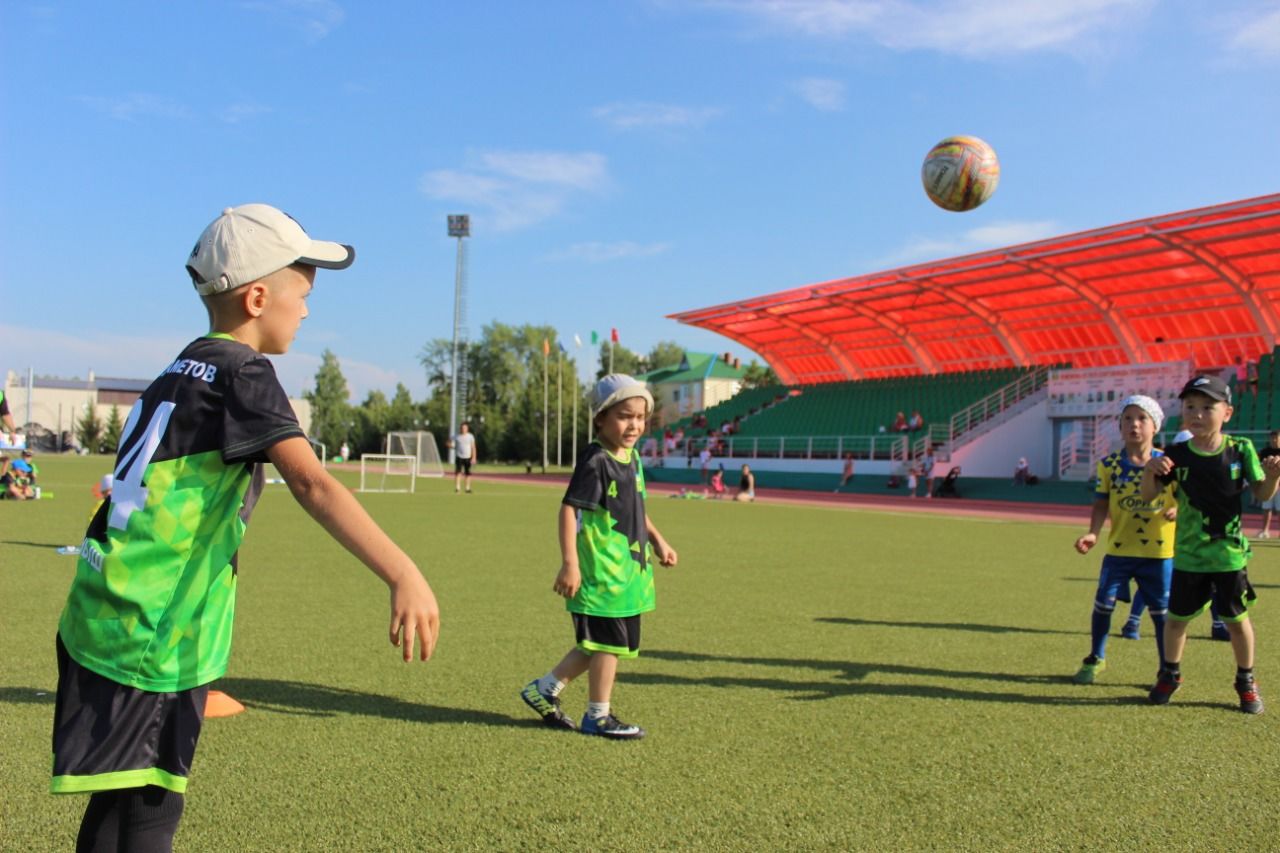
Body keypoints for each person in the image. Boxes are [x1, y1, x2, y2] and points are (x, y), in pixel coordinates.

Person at [50, 203, 441, 848]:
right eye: (303, 294)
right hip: (150, 630)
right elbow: (313, 483)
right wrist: (403, 571)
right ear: (259, 296)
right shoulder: (244, 372)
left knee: (118, 803)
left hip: (101, 611)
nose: (309, 310)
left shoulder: (179, 367)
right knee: (150, 808)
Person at [520, 374, 678, 739]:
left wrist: (659, 541)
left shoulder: (632, 458)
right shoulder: (596, 461)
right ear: (601, 418)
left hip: (628, 572)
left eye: (641, 417)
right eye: (625, 416)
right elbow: (568, 510)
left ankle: (544, 689)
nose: (634, 425)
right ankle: (598, 716)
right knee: (608, 644)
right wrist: (570, 563)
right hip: (601, 573)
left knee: (598, 644)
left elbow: (635, 509)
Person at [1141, 374, 1280, 714]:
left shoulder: (1240, 449)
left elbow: (1261, 494)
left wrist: (1274, 476)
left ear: (1228, 413)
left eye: (1207, 407)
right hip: (1188, 556)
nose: (1197, 414)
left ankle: (1246, 681)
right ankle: (1169, 674)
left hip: (1228, 556)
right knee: (1176, 621)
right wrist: (1149, 471)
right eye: (1190, 406)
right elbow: (1150, 498)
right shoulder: (1173, 454)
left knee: (1237, 621)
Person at [1071, 396, 1176, 685]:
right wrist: (1093, 532)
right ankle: (1096, 657)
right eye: (1127, 418)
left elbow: (1186, 499)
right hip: (1119, 551)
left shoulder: (1168, 464)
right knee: (1103, 605)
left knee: (1161, 616)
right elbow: (1101, 503)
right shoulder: (1109, 465)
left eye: (1142, 418)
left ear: (1155, 426)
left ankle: (1166, 669)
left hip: (1159, 554)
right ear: (1119, 426)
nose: (1134, 424)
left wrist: (1176, 509)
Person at [1257, 430, 1280, 538]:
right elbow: (1258, 466)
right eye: (1272, 438)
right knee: (1267, 508)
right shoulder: (1264, 452)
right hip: (1268, 485)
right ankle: (1265, 531)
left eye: (1276, 437)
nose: (1274, 440)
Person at [450, 421, 477, 493]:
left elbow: (473, 447)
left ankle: (467, 488)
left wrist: (474, 457)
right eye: (462, 428)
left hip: (468, 457)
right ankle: (457, 488)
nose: (463, 429)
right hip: (459, 456)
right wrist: (452, 446)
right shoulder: (457, 436)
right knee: (458, 472)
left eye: (465, 428)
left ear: (467, 429)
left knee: (468, 473)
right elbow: (448, 442)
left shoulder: (470, 436)